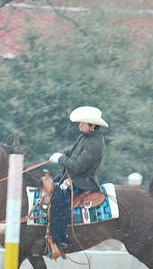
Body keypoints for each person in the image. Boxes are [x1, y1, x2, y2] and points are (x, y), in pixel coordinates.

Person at [46, 106, 108, 259]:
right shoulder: (85, 136)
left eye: (82, 123)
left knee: (59, 198)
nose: (80, 126)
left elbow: (79, 166)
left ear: (92, 126)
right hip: (71, 175)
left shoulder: (95, 145)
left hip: (83, 181)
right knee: (46, 187)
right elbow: (72, 152)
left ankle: (60, 240)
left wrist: (61, 159)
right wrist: (61, 154)